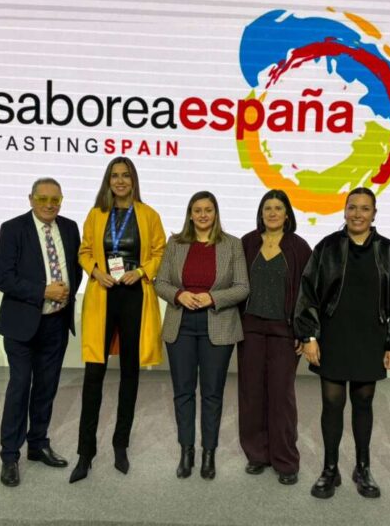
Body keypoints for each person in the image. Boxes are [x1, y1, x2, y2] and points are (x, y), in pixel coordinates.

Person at [295, 187, 390, 499]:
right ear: (344, 211)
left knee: (363, 402)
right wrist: (309, 336)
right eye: (352, 207)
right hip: (333, 337)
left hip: (370, 338)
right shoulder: (327, 247)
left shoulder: (388, 250)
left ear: (374, 214)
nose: (358, 214)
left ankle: (363, 468)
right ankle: (330, 469)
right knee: (332, 403)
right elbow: (308, 294)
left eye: (365, 208)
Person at [70, 157, 166, 483]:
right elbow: (84, 251)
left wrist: (141, 271)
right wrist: (96, 272)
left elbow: (160, 252)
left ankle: (120, 445)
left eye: (126, 175)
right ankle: (85, 452)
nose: (121, 181)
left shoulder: (149, 215)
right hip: (103, 294)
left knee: (129, 373)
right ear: (108, 181)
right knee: (93, 375)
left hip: (134, 296)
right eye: (115, 176)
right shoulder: (96, 214)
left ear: (133, 180)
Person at [155, 191, 249, 480]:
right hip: (181, 324)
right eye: (198, 210)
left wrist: (212, 298)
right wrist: (179, 295)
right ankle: (187, 452)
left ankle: (209, 453)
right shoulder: (175, 243)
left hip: (217, 325)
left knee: (212, 393)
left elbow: (242, 287)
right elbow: (160, 282)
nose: (203, 215)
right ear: (190, 214)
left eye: (208, 210)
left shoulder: (232, 244)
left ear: (216, 213)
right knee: (183, 392)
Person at [0, 177, 82, 487]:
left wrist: (65, 295)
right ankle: (9, 456)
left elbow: (75, 269)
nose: (49, 204)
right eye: (42, 198)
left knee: (47, 386)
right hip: (21, 324)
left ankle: (38, 444)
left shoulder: (69, 228)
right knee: (20, 387)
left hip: (56, 323)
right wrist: (44, 291)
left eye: (55, 199)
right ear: (31, 199)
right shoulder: (12, 228)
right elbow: (4, 278)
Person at [238, 189, 311, 486]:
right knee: (251, 395)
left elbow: (307, 294)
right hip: (250, 330)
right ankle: (257, 455)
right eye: (267, 208)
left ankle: (285, 460)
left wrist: (303, 331)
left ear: (287, 214)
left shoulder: (299, 247)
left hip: (284, 333)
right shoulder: (247, 243)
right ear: (261, 213)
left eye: (278, 208)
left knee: (282, 398)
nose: (272, 213)